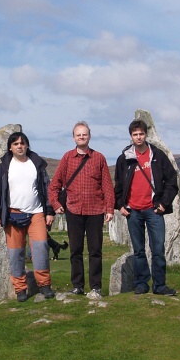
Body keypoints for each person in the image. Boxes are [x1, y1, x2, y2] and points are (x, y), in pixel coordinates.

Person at [48, 121, 114, 300]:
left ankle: (96, 287)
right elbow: (54, 185)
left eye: (84, 134)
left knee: (95, 251)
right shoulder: (67, 158)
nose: (82, 137)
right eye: (78, 135)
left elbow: (107, 185)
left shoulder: (99, 158)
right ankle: (77, 286)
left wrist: (109, 209)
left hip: (95, 210)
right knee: (75, 250)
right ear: (74, 137)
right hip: (74, 210)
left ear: (89, 136)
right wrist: (55, 204)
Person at [114, 118, 178, 296]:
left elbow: (172, 181)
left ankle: (160, 285)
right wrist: (120, 205)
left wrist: (164, 203)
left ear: (146, 134)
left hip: (153, 209)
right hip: (133, 210)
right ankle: (141, 283)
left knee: (158, 249)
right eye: (135, 134)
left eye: (141, 133)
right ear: (131, 136)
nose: (139, 137)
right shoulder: (124, 159)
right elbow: (118, 185)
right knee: (139, 249)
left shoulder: (157, 156)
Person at [0, 131, 55, 301]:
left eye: (22, 143)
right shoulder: (4, 167)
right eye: (16, 144)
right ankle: (20, 289)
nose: (20, 146)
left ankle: (45, 285)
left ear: (27, 145)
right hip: (12, 214)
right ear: (10, 147)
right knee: (15, 253)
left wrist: (50, 211)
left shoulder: (37, 164)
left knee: (40, 249)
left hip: (36, 212)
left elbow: (47, 188)